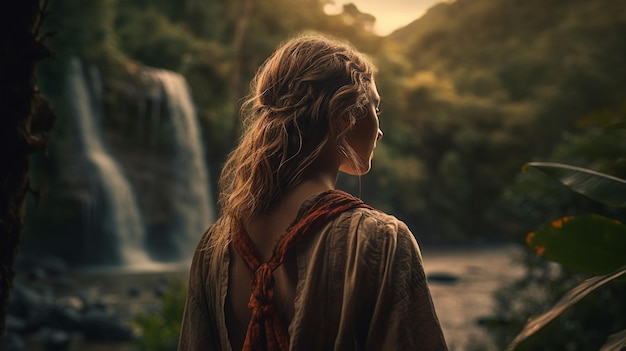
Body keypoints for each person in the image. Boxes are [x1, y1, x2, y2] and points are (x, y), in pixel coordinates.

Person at [178, 33, 448, 351]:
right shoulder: (380, 241)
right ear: (344, 114)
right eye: (375, 107)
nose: (379, 130)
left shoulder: (213, 247)